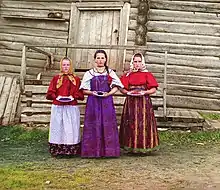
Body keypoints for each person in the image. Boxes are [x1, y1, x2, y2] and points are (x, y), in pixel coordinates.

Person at [80, 49, 124, 158]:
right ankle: (92, 152)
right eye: (98, 58)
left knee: (107, 124)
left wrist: (108, 94)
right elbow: (84, 90)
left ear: (105, 59)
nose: (100, 60)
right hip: (93, 102)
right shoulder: (89, 73)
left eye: (102, 58)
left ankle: (109, 152)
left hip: (106, 101)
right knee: (93, 124)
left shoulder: (110, 73)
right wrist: (92, 92)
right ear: (95, 60)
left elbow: (117, 86)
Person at [119, 52, 159, 154]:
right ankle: (130, 145)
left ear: (142, 63)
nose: (137, 64)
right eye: (135, 61)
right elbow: (122, 88)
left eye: (139, 61)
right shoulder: (128, 75)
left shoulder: (147, 74)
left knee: (143, 122)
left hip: (143, 102)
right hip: (131, 102)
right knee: (131, 122)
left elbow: (153, 89)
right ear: (132, 62)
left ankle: (145, 145)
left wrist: (144, 92)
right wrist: (127, 92)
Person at [46, 57, 84, 157]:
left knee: (70, 127)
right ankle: (57, 149)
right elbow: (50, 92)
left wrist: (73, 96)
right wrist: (56, 97)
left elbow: (80, 94)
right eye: (64, 65)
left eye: (67, 65)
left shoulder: (75, 79)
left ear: (71, 66)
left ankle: (70, 149)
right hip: (58, 107)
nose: (66, 67)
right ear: (61, 66)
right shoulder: (56, 78)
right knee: (58, 127)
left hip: (71, 107)